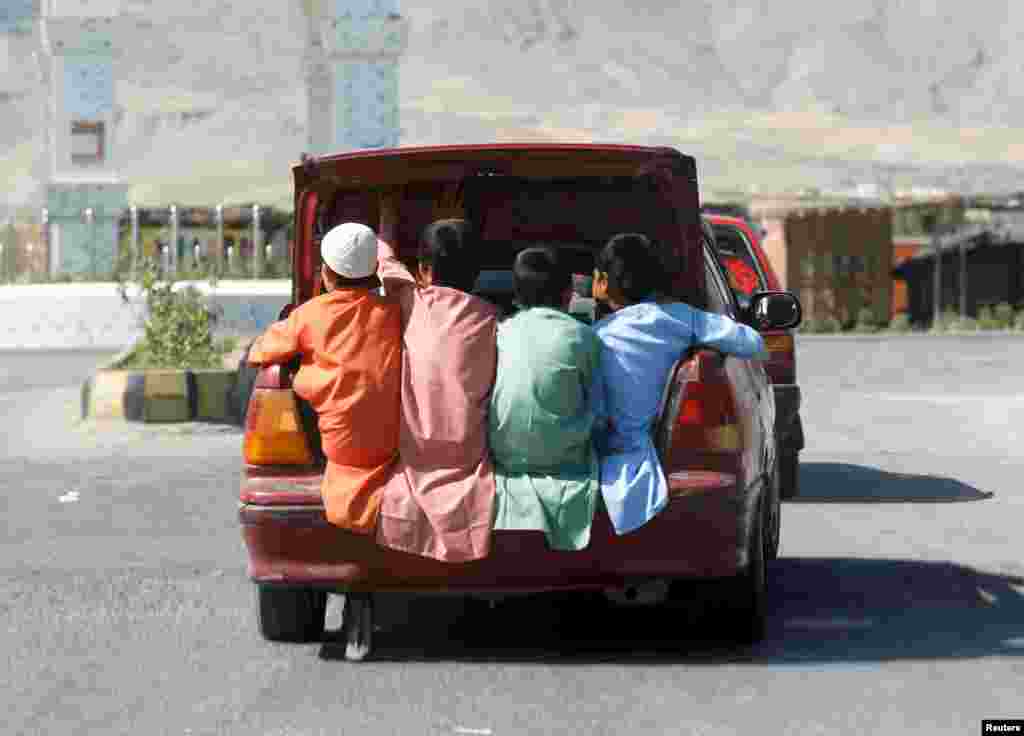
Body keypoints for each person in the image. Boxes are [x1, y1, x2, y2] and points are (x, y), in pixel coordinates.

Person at [591, 232, 768, 536]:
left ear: (604, 283)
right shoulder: (680, 318)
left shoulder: (594, 335)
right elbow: (753, 342)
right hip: (648, 455)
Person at [247, 223, 402, 534]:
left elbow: (260, 352)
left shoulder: (309, 315)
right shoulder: (397, 313)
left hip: (340, 452)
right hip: (394, 450)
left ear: (326, 274)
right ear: (374, 271)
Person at [373, 191, 500, 563]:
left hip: (415, 455)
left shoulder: (409, 300)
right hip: (467, 454)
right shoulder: (492, 320)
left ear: (424, 270)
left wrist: (387, 213)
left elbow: (385, 259)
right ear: (478, 273)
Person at [488, 247, 603, 551]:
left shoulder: (499, 333)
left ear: (516, 295)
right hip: (564, 461)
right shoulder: (583, 336)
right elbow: (599, 403)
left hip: (505, 456)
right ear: (568, 295)